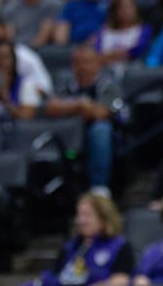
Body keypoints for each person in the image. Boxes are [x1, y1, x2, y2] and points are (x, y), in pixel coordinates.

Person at [45, 46, 123, 188]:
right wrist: (81, 105)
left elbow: (102, 113)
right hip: (70, 135)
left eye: (87, 62)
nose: (82, 67)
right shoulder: (66, 85)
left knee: (101, 130)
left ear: (97, 63)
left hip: (102, 136)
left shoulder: (108, 85)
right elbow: (51, 108)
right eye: (77, 62)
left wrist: (69, 107)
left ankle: (98, 187)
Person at [32, 191, 134, 286]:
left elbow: (120, 281)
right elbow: (50, 275)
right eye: (79, 215)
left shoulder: (120, 246)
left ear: (103, 219)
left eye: (87, 215)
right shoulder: (71, 246)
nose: (81, 221)